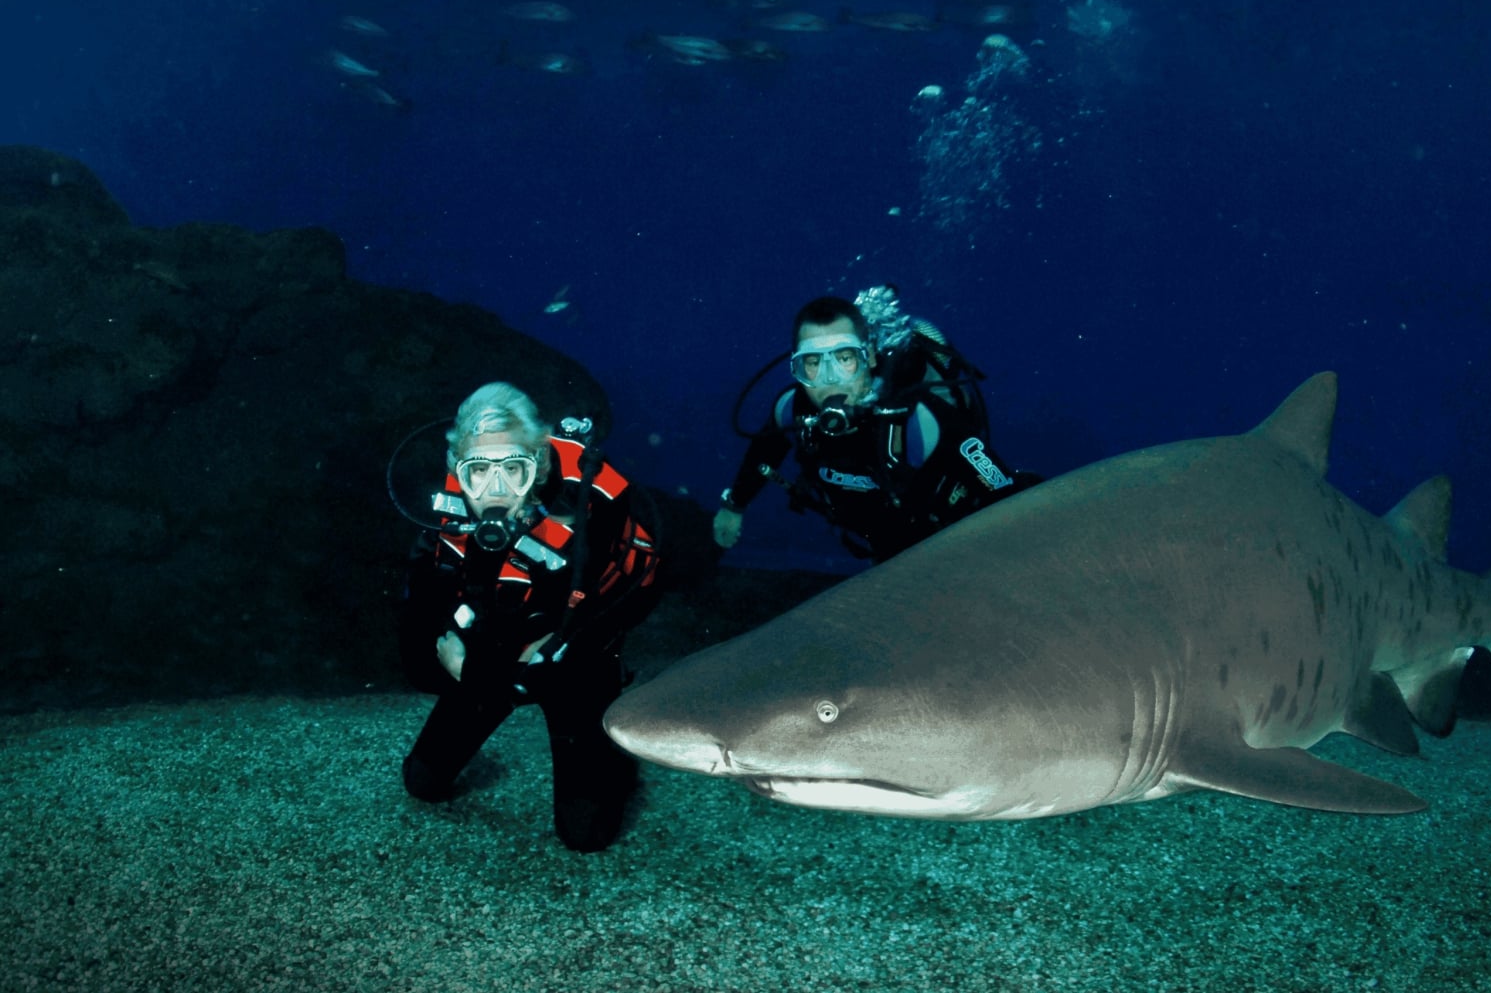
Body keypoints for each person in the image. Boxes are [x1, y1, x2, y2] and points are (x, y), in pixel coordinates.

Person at [397, 382, 661, 853]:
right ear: (457, 470)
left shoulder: (588, 508)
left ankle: (618, 758)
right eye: (479, 470)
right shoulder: (450, 514)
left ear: (537, 465)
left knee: (585, 835)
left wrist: (482, 669)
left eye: (513, 469)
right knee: (421, 781)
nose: (496, 490)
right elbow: (420, 637)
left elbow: (592, 620)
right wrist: (456, 646)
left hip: (575, 649)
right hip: (494, 648)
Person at [713, 288, 1039, 563]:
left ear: (868, 357)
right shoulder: (790, 410)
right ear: (797, 368)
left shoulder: (921, 419)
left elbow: (1006, 495)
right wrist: (734, 506)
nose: (829, 379)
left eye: (844, 358)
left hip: (953, 538)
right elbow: (765, 451)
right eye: (812, 363)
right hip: (884, 548)